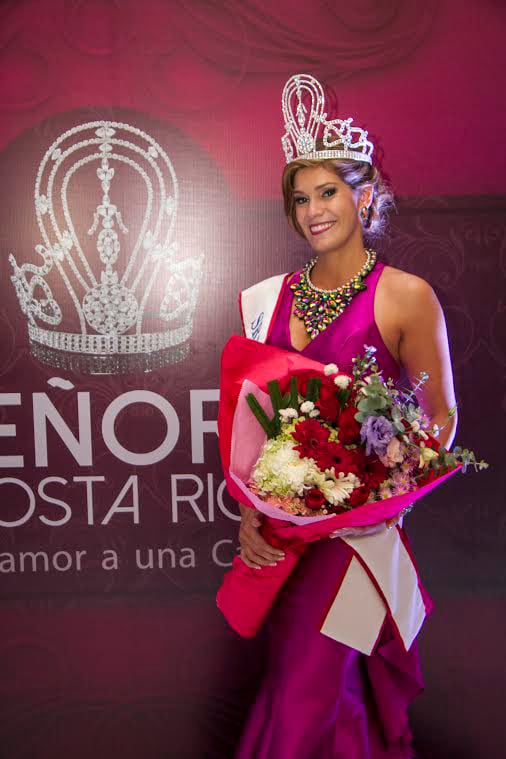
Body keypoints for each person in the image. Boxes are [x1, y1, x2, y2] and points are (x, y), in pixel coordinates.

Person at [234, 74, 457, 758]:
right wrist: (249, 513)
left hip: (358, 542)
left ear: (363, 195)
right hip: (285, 543)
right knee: (310, 689)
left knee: (310, 695)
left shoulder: (406, 296)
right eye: (300, 199)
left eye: (327, 192)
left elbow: (441, 422)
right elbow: (254, 426)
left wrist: (379, 496)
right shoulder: (268, 299)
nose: (313, 211)